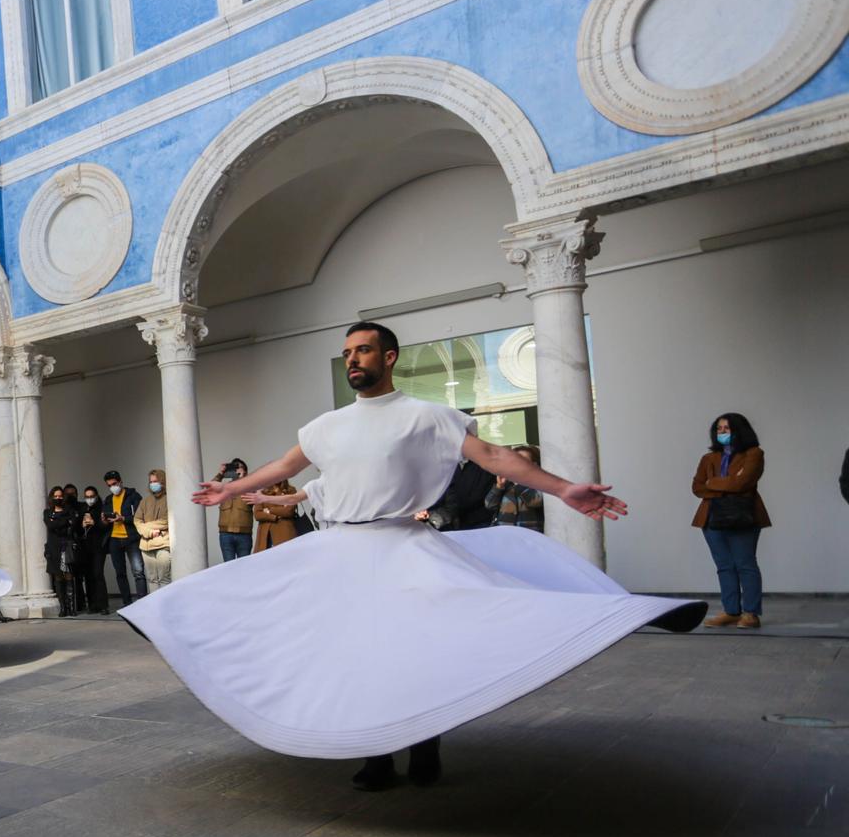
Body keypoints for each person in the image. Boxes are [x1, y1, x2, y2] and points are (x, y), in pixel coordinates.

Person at [124, 322, 702, 792]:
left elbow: (495, 456)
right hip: (340, 552)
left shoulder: (426, 415)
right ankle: (374, 753)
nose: (354, 359)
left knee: (412, 646)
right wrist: (227, 490)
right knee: (350, 652)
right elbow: (285, 466)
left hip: (402, 545)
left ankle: (424, 744)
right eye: (347, 352)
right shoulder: (327, 425)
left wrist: (563, 487)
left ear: (389, 357)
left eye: (364, 349)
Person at [693, 413, 769, 629]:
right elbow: (698, 487)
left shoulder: (754, 454)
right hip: (711, 519)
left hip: (743, 517)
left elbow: (743, 483)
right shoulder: (708, 459)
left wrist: (713, 483)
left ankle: (751, 613)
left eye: (727, 428)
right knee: (724, 566)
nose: (722, 433)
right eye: (719, 429)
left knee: (745, 564)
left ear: (739, 431)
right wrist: (728, 484)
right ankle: (731, 611)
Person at [100, 470, 147, 605]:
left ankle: (142, 603)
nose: (112, 487)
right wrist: (104, 520)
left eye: (114, 484)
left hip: (131, 538)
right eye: (109, 485)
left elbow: (140, 517)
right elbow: (104, 522)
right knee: (120, 573)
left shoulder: (133, 496)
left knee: (138, 571)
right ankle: (127, 604)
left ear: (120, 481)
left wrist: (123, 518)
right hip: (114, 539)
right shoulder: (108, 499)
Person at [423, 459, 498, 532]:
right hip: (441, 524)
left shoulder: (484, 466)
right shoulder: (440, 464)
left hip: (476, 524)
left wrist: (431, 520)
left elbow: (469, 499)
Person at [45, 486, 83, 615]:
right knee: (58, 577)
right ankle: (63, 608)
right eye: (55, 496)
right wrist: (65, 521)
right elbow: (50, 525)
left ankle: (71, 607)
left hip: (67, 547)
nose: (58, 498)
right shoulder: (47, 512)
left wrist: (57, 521)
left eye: (60, 496)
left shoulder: (70, 510)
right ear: (51, 497)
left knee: (69, 576)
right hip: (53, 548)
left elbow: (73, 524)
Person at [490, 447, 546, 531]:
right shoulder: (507, 482)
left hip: (528, 535)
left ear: (534, 465)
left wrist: (519, 482)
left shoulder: (539, 482)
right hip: (504, 533)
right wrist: (499, 486)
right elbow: (489, 505)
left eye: (523, 459)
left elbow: (535, 501)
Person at [135, 470, 174, 590]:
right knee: (152, 579)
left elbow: (166, 521)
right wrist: (149, 532)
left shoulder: (170, 499)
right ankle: (155, 608)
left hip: (163, 544)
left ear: (162, 482)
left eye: (155, 481)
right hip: (146, 546)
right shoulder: (145, 501)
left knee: (164, 579)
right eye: (151, 482)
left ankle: (167, 607)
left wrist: (146, 525)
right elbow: (137, 520)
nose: (152, 484)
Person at [78, 486, 111, 613]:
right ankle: (93, 605)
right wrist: (82, 525)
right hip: (85, 548)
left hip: (98, 547)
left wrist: (94, 523)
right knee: (88, 576)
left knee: (98, 574)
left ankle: (103, 605)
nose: (90, 499)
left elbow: (105, 527)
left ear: (96, 496)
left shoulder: (102, 508)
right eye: (87, 497)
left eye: (92, 496)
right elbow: (77, 528)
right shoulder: (83, 509)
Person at [215, 460, 254, 562]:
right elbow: (210, 488)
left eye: (239, 467)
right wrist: (221, 474)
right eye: (234, 467)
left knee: (244, 567)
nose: (236, 470)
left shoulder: (250, 486)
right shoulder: (224, 487)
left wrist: (243, 479)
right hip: (225, 533)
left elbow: (253, 495)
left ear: (245, 471)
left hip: (244, 534)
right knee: (228, 568)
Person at [252, 480, 300, 552]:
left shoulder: (290, 490)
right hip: (265, 536)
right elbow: (257, 514)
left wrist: (269, 510)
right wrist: (275, 517)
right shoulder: (262, 492)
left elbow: (288, 511)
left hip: (285, 533)